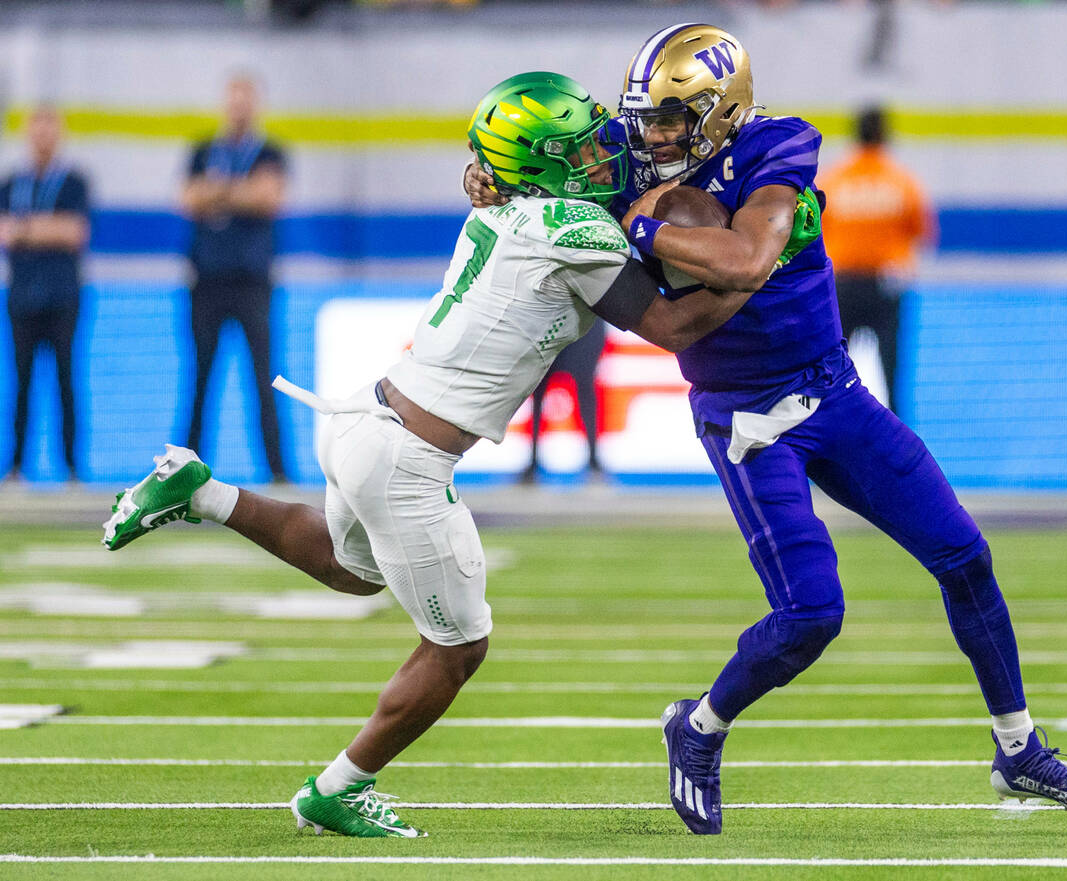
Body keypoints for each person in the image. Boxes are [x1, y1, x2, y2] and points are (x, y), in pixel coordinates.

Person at [467, 24, 1067, 834]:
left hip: (833, 391)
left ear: (722, 109)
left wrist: (641, 224)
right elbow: (534, 172)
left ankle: (1018, 749)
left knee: (966, 556)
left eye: (674, 118)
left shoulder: (779, 145)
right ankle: (699, 726)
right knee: (812, 613)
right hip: (746, 418)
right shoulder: (627, 151)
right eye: (649, 119)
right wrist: (493, 178)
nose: (656, 134)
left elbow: (745, 260)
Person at [102, 71, 752, 838]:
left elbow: (543, 179)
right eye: (578, 148)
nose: (600, 154)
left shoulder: (512, 200)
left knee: (353, 570)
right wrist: (762, 263)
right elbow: (678, 326)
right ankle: (336, 788)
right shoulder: (572, 229)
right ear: (541, 164)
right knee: (459, 647)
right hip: (406, 455)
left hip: (363, 417)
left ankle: (202, 492)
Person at [181, 74, 288, 482]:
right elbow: (187, 198)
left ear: (256, 104)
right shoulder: (203, 149)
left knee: (263, 379)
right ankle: (185, 470)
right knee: (200, 379)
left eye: (247, 98)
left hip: (252, 282)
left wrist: (217, 192)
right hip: (207, 281)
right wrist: (241, 192)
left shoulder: (271, 153)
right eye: (233, 97)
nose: (239, 106)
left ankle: (278, 472)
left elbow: (268, 198)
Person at [820, 105, 935, 414]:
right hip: (885, 285)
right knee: (891, 369)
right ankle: (898, 440)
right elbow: (922, 232)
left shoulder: (834, 180)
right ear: (885, 136)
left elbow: (815, 232)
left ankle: (830, 431)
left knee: (833, 369)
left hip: (840, 284)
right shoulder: (901, 182)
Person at [0, 106, 90, 482]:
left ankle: (71, 466)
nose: (42, 138)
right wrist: (43, 229)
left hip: (63, 298)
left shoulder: (73, 183)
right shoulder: (12, 184)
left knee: (66, 381)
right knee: (21, 382)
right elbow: (5, 233)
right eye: (36, 130)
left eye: (48, 129)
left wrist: (25, 230)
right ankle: (17, 465)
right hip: (22, 298)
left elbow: (73, 233)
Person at [520, 318, 607, 484]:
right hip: (553, 323)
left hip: (581, 326)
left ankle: (594, 461)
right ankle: (532, 462)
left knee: (585, 390)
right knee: (538, 392)